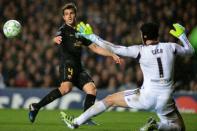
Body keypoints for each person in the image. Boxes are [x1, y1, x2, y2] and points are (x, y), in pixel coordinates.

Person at [60, 22, 194, 131]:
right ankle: (157, 126)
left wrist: (92, 37)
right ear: (157, 35)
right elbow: (190, 51)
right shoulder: (171, 47)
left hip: (146, 97)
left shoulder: (140, 50)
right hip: (165, 98)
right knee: (178, 128)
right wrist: (182, 35)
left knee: (109, 100)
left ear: (144, 37)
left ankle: (75, 122)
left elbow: (114, 48)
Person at [28, 3, 121, 124]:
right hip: (67, 64)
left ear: (75, 15)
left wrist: (111, 54)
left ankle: (86, 118)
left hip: (78, 67)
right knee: (66, 88)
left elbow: (95, 47)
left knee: (92, 90)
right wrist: (54, 40)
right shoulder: (63, 30)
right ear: (63, 17)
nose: (69, 16)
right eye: (66, 14)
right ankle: (36, 106)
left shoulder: (80, 32)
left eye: (71, 13)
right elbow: (55, 39)